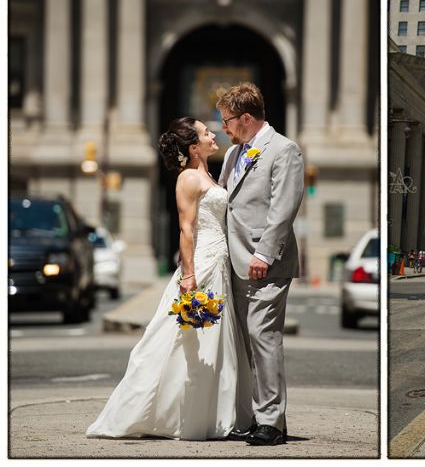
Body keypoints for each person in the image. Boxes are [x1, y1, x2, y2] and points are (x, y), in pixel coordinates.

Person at [86, 117, 252, 440]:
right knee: (184, 338)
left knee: (215, 339)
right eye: (206, 133)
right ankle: (167, 413)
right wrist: (189, 275)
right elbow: (186, 229)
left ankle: (214, 414)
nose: (213, 134)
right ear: (193, 148)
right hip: (202, 263)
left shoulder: (210, 175)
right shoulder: (188, 178)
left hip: (219, 261)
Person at [217, 82, 304, 446]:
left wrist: (264, 254)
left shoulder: (284, 150)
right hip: (234, 261)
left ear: (246, 118)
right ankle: (256, 415)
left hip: (265, 262)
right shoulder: (232, 154)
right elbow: (226, 201)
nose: (223, 127)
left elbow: (284, 207)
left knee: (263, 336)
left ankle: (271, 421)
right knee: (246, 342)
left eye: (227, 121)